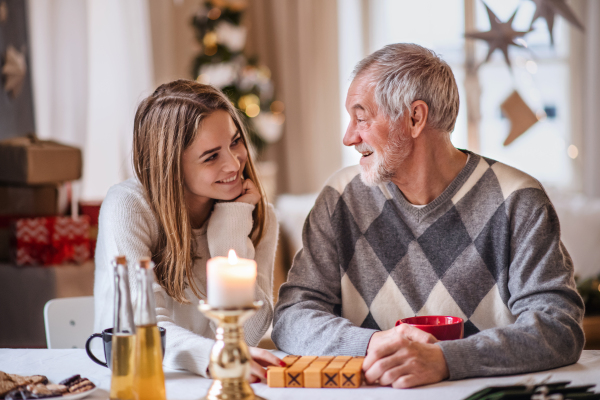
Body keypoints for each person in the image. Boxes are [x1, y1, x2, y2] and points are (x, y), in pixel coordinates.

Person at [272, 43, 584, 388]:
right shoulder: (340, 197)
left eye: (361, 118)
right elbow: (291, 317)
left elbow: (559, 328)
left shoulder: (518, 200)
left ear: (414, 118)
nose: (349, 137)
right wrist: (373, 344)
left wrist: (446, 360)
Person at [94, 80, 283, 381]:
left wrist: (230, 229)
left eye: (235, 142)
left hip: (211, 378)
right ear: (170, 165)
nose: (234, 164)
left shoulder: (256, 214)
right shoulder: (128, 207)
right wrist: (214, 355)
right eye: (211, 156)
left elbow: (248, 331)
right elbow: (143, 328)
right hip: (141, 378)